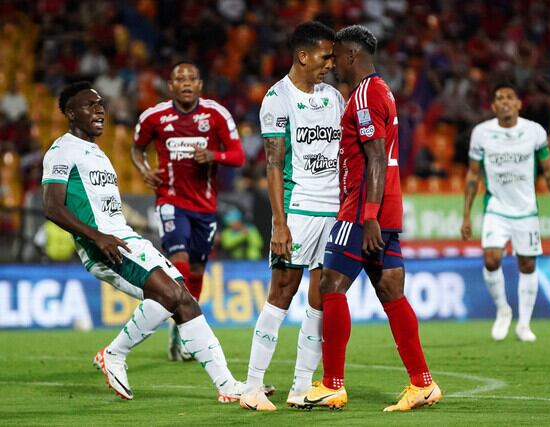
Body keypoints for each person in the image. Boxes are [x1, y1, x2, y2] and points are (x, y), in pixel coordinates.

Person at [41, 81, 243, 402]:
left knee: (184, 300)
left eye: (100, 104)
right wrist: (97, 236)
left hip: (123, 237)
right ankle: (114, 354)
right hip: (103, 245)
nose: (99, 110)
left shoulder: (98, 153)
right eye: (89, 105)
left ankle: (228, 385)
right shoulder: (62, 150)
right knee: (170, 294)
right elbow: (52, 206)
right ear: (70, 113)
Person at [301, 25, 441, 412]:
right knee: (391, 290)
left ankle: (332, 384)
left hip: (364, 207)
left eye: (336, 57)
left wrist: (368, 216)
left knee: (330, 284)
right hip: (387, 205)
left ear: (351, 56)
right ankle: (422, 383)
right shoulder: (381, 90)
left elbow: (376, 157)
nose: (332, 64)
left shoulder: (364, 95)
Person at [238, 21, 344, 411]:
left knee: (322, 296)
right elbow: (273, 164)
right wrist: (279, 224)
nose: (330, 64)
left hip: (332, 211)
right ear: (303, 55)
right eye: (325, 57)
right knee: (283, 292)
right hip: (297, 209)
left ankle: (301, 387)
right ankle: (252, 387)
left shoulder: (334, 97)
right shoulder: (277, 99)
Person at [131, 61, 245, 361]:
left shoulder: (216, 114)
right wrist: (144, 170)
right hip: (170, 200)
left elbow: (238, 155)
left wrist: (213, 155)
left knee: (196, 271)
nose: (185, 83)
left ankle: (179, 326)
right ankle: (185, 330)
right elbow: (136, 149)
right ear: (170, 86)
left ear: (200, 85)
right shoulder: (154, 116)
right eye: (179, 79)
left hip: (204, 206)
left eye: (191, 78)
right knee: (179, 261)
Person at [461, 82, 550, 343]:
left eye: (509, 97)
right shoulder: (481, 133)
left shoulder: (534, 132)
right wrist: (466, 215)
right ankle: (503, 310)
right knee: (491, 259)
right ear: (493, 105)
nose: (505, 101)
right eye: (499, 98)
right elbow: (472, 175)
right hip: (495, 208)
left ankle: (524, 325)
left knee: (527, 264)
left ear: (519, 103)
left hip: (526, 210)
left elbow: (549, 171)